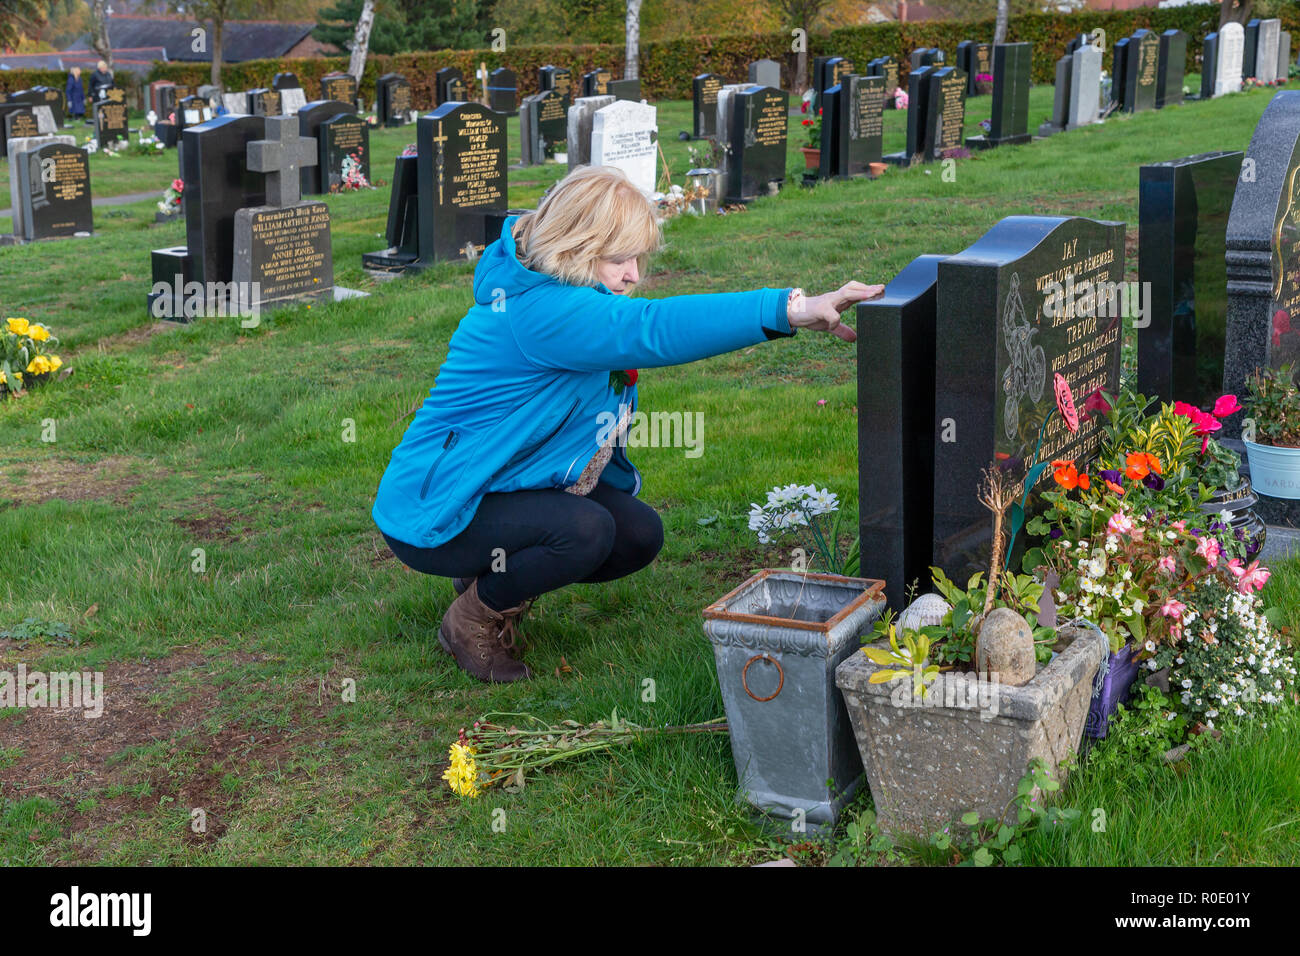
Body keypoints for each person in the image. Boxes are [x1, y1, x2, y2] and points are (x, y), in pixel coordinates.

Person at [372, 165, 882, 683]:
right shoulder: (543, 310)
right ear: (574, 246)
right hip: (437, 508)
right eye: (619, 258)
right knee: (584, 532)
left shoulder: (562, 294)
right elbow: (652, 329)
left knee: (637, 535)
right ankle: (473, 615)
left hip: (497, 485)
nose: (635, 274)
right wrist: (789, 310)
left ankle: (493, 570)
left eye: (637, 257)